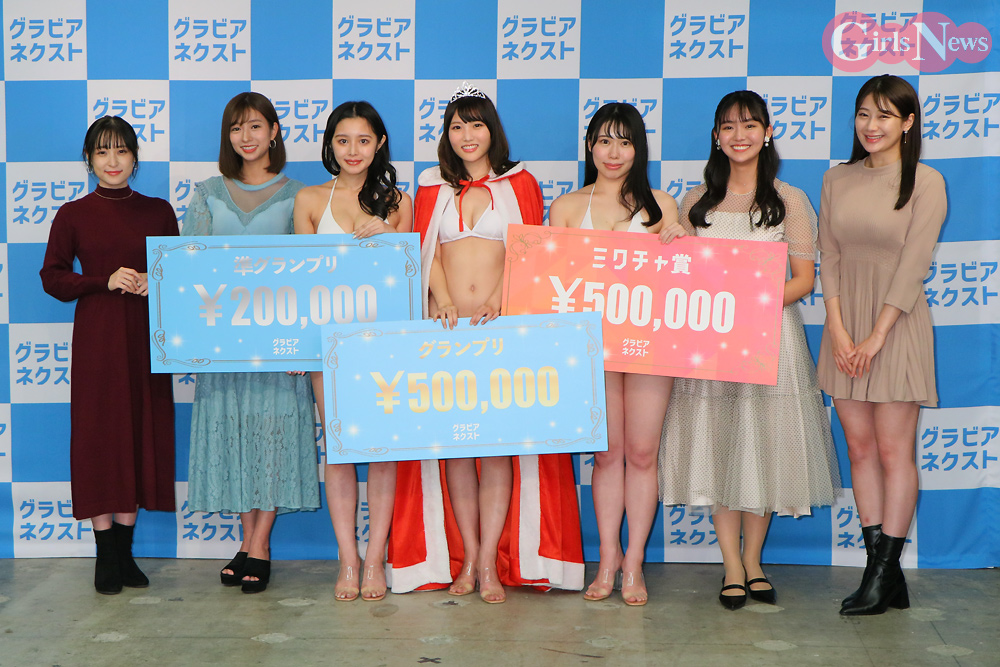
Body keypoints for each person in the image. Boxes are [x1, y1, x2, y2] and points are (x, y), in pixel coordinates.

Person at [388, 83, 584, 602]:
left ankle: (493, 562)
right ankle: (471, 558)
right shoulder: (431, 186)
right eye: (457, 126)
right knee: (456, 448)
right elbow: (424, 250)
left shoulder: (520, 183)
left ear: (492, 130)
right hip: (446, 333)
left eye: (476, 124)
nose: (467, 135)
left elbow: (531, 248)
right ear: (446, 135)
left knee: (497, 449)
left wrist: (500, 297)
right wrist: (441, 297)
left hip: (503, 331)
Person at [659, 91, 839, 609]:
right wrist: (671, 241)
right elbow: (682, 275)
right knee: (720, 443)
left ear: (767, 132)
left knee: (763, 445)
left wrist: (748, 304)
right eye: (729, 127)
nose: (739, 136)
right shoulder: (696, 201)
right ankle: (731, 566)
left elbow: (803, 280)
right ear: (717, 136)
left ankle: (754, 561)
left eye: (749, 125)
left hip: (770, 337)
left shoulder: (790, 200)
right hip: (711, 341)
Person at [817, 75, 946, 616]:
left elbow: (914, 264)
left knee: (895, 452)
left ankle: (882, 575)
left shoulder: (926, 181)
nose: (871, 126)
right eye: (864, 114)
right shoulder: (837, 178)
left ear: (908, 123)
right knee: (860, 450)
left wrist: (876, 335)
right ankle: (882, 574)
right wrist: (840, 329)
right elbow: (829, 256)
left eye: (885, 116)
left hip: (897, 324)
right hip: (845, 328)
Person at [184, 92, 320, 594]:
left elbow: (311, 277)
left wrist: (303, 343)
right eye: (237, 128)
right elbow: (188, 268)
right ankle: (246, 542)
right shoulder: (206, 193)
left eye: (256, 126)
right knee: (236, 439)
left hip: (279, 346)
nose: (247, 136)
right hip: (222, 346)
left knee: (273, 439)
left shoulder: (300, 195)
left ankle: (260, 545)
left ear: (274, 132)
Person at [548, 102, 683, 606]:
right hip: (590, 350)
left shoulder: (661, 205)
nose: (613, 152)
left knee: (642, 454)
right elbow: (549, 282)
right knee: (606, 456)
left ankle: (634, 563)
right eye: (604, 140)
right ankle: (607, 558)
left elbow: (679, 278)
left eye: (625, 142)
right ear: (590, 146)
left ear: (638, 149)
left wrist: (680, 239)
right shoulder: (565, 208)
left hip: (649, 348)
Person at [40, 116, 177, 594]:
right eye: (102, 152)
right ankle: (105, 555)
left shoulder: (158, 211)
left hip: (145, 339)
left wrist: (154, 282)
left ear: (135, 158)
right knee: (100, 439)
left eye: (121, 151)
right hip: (98, 341)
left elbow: (180, 274)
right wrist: (104, 280)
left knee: (138, 434)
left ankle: (125, 552)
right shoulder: (73, 214)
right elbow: (53, 278)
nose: (112, 161)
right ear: (89, 159)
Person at [293, 101, 412, 601]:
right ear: (330, 144)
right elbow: (300, 281)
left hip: (384, 345)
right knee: (338, 448)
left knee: (382, 450)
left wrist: (391, 234)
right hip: (328, 345)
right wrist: (299, 347)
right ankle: (348, 559)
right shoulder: (309, 199)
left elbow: (408, 277)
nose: (353, 150)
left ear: (379, 143)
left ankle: (376, 559)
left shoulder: (398, 201)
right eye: (343, 140)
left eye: (363, 140)